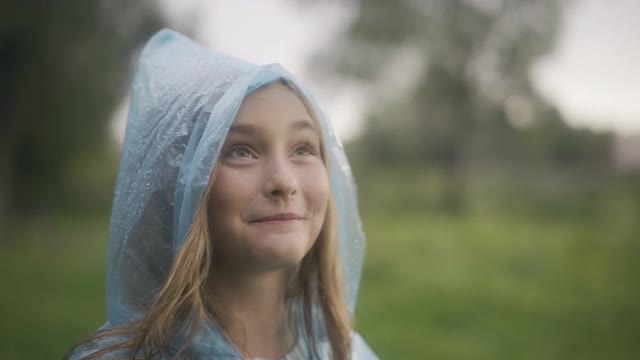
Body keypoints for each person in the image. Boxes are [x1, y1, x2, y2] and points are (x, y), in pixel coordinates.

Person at [66, 28, 377, 359]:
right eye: (241, 151)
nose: (284, 182)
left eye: (303, 148)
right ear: (179, 185)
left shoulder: (347, 353)